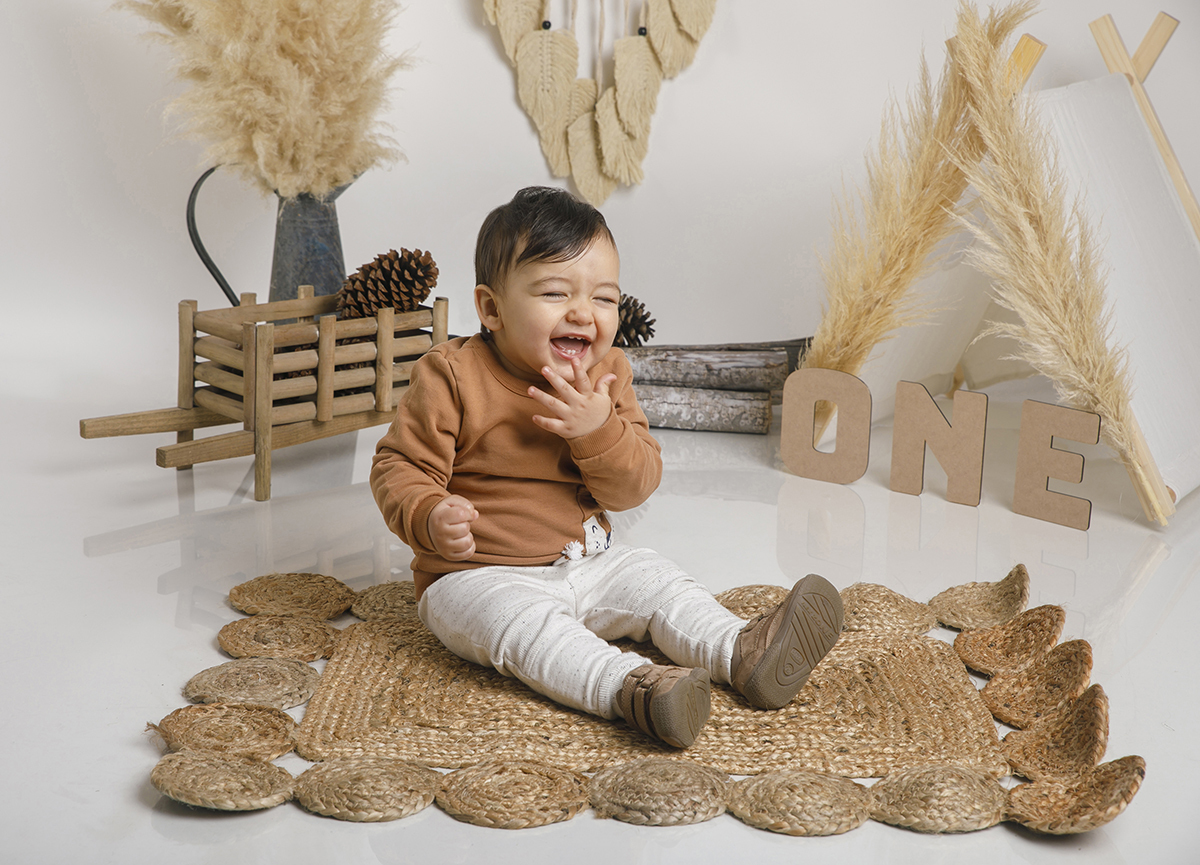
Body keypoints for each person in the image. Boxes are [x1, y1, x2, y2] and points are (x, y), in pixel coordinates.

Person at [370, 186, 843, 748]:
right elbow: (398, 465)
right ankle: (632, 689)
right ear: (491, 308)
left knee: (658, 579)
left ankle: (740, 650)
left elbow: (636, 484)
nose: (582, 313)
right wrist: (428, 513)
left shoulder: (609, 373)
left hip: (591, 561)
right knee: (526, 632)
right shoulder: (451, 374)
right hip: (477, 575)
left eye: (604, 299)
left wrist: (597, 430)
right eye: (553, 292)